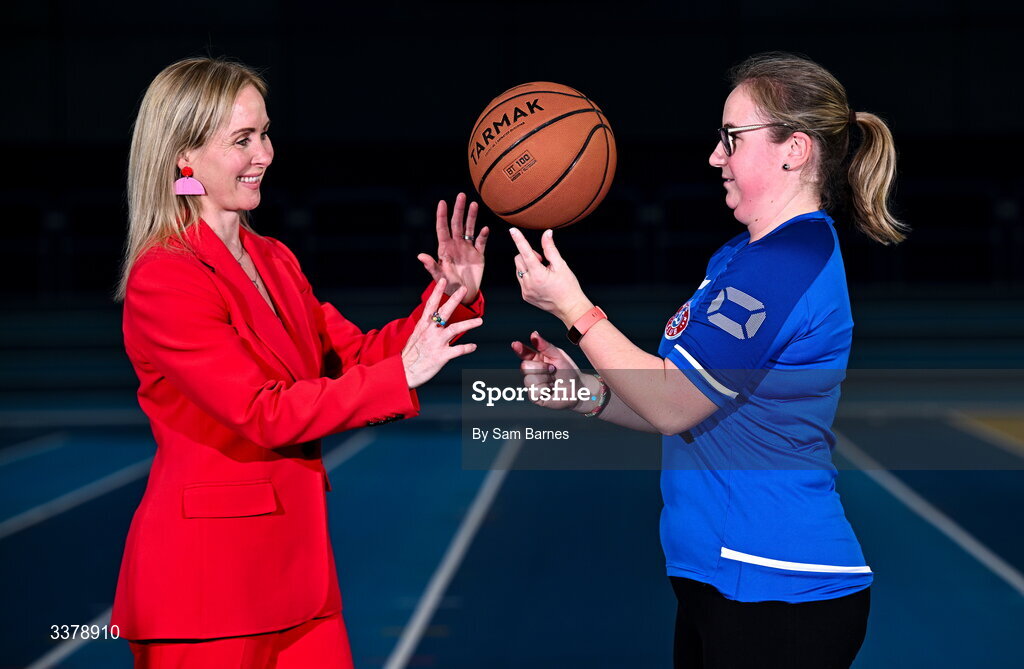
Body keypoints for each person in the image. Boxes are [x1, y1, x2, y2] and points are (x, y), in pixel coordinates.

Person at [509, 52, 906, 668]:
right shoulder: (742, 257)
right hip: (720, 579)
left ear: (793, 149)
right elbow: (688, 409)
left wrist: (575, 309)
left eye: (731, 138)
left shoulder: (788, 263)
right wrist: (579, 392)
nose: (714, 156)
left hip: (779, 591)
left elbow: (671, 403)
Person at [111, 56, 487, 668]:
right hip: (208, 596)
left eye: (264, 132)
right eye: (242, 140)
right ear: (185, 157)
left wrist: (452, 295)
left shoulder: (273, 257)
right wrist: (400, 376)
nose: (265, 153)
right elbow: (262, 412)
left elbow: (353, 357)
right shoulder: (166, 276)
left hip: (299, 585)